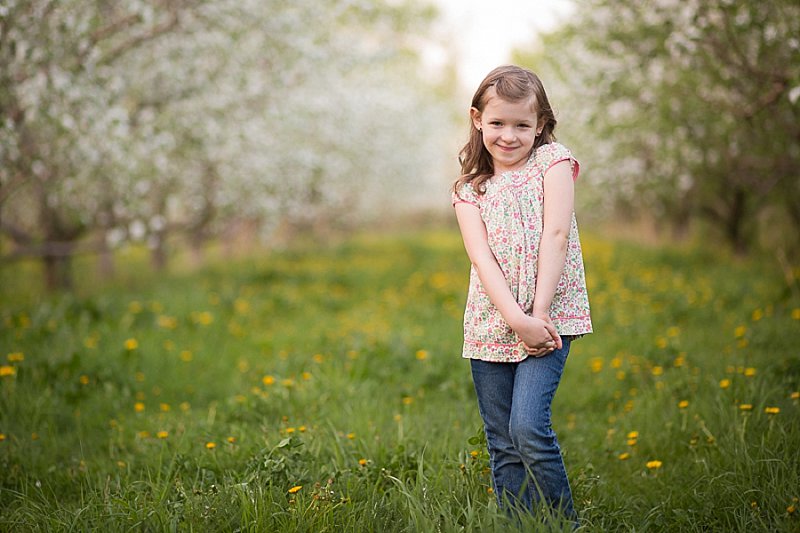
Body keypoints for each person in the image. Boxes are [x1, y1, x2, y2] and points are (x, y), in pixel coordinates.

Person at [451, 65, 592, 524]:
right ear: (477, 120)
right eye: (497, 123)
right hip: (493, 324)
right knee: (502, 441)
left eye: (521, 125)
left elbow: (556, 235)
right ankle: (519, 521)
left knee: (527, 427)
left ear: (541, 125)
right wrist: (516, 318)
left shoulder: (553, 164)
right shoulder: (470, 190)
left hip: (550, 320)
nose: (508, 135)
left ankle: (564, 522)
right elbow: (481, 258)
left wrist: (539, 314)